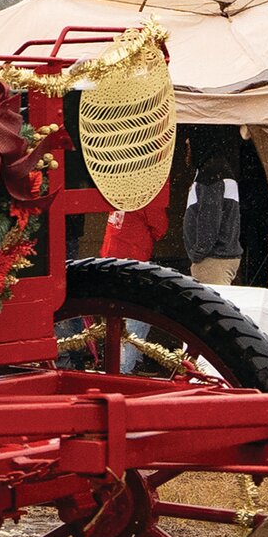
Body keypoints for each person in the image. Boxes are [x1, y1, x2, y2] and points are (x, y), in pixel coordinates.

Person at [99, 179, 172, 372]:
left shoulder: (119, 185)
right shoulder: (147, 189)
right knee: (137, 316)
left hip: (110, 257)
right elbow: (160, 227)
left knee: (118, 317)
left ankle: (122, 363)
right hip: (133, 260)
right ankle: (125, 367)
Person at [183, 145, 242, 286]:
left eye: (188, 145)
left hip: (213, 260)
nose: (186, 150)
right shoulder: (220, 170)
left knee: (210, 307)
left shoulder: (211, 173)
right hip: (217, 258)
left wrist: (198, 252)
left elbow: (209, 217)